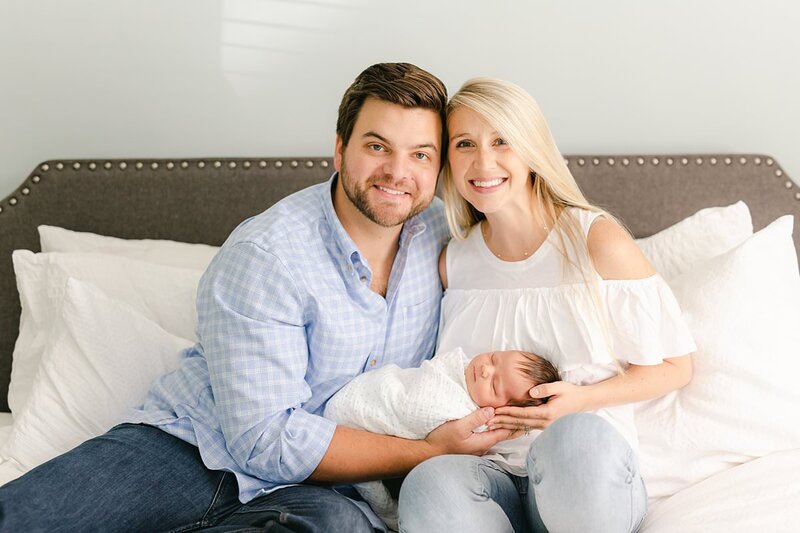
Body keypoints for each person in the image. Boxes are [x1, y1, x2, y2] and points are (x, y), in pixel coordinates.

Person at [0, 64, 514, 533]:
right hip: (191, 451)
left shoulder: (443, 238)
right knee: (23, 519)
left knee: (342, 529)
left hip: (322, 492)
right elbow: (264, 440)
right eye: (377, 146)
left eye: (420, 154)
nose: (398, 172)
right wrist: (421, 451)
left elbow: (542, 244)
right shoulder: (267, 254)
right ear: (339, 149)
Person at [397, 78, 697, 533]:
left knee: (574, 440)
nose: (483, 162)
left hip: (582, 471)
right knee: (429, 482)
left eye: (502, 141)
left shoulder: (595, 240)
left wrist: (582, 400)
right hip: (490, 476)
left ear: (532, 148)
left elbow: (677, 366)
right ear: (448, 161)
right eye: (464, 144)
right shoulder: (452, 262)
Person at [324, 346, 558, 530]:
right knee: (371, 481)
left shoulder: (469, 415)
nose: (486, 370)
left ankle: (385, 513)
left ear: (504, 412)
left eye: (494, 385)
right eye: (494, 358)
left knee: (373, 485)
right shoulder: (455, 366)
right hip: (355, 412)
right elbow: (414, 399)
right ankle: (387, 515)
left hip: (360, 428)